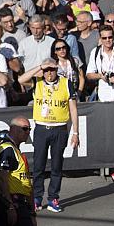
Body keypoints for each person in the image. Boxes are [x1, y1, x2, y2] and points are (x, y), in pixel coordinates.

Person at [17, 58, 79, 213]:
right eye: (46, 70)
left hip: (59, 129)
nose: (49, 73)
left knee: (57, 165)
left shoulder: (65, 83)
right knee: (38, 165)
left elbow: (73, 109)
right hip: (41, 129)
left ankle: (53, 198)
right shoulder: (37, 82)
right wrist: (40, 66)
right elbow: (20, 79)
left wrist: (75, 132)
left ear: (57, 69)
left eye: (52, 69)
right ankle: (37, 197)